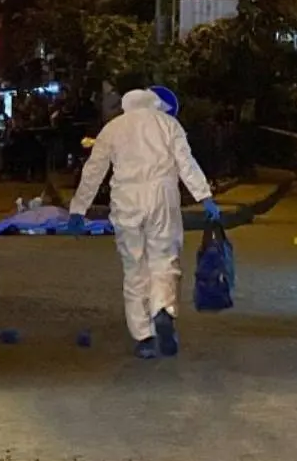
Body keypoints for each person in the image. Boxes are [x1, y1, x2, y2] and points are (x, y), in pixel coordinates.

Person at [67, 88, 220, 360]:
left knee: (134, 267)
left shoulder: (113, 128)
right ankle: (163, 309)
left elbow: (94, 171)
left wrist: (78, 208)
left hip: (126, 199)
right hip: (162, 196)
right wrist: (205, 196)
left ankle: (144, 337)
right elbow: (186, 163)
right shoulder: (168, 124)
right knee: (164, 259)